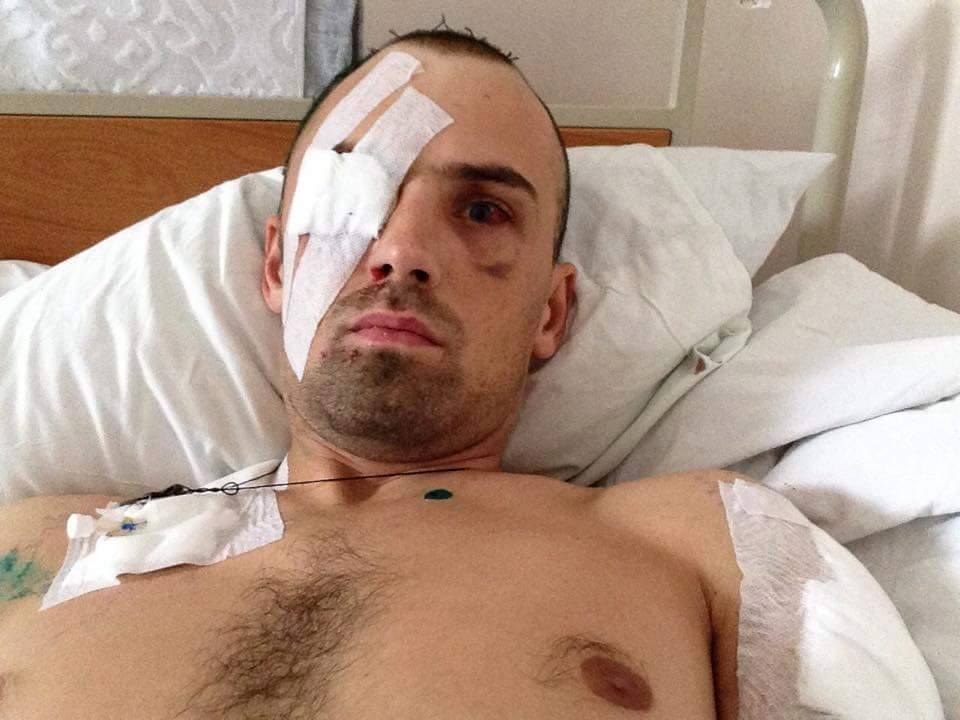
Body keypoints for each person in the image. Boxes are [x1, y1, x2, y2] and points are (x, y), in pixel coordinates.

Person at [0, 29, 743, 719]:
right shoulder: (36, 549)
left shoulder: (699, 542)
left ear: (550, 313)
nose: (401, 251)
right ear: (277, 268)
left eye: (482, 211)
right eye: (349, 195)